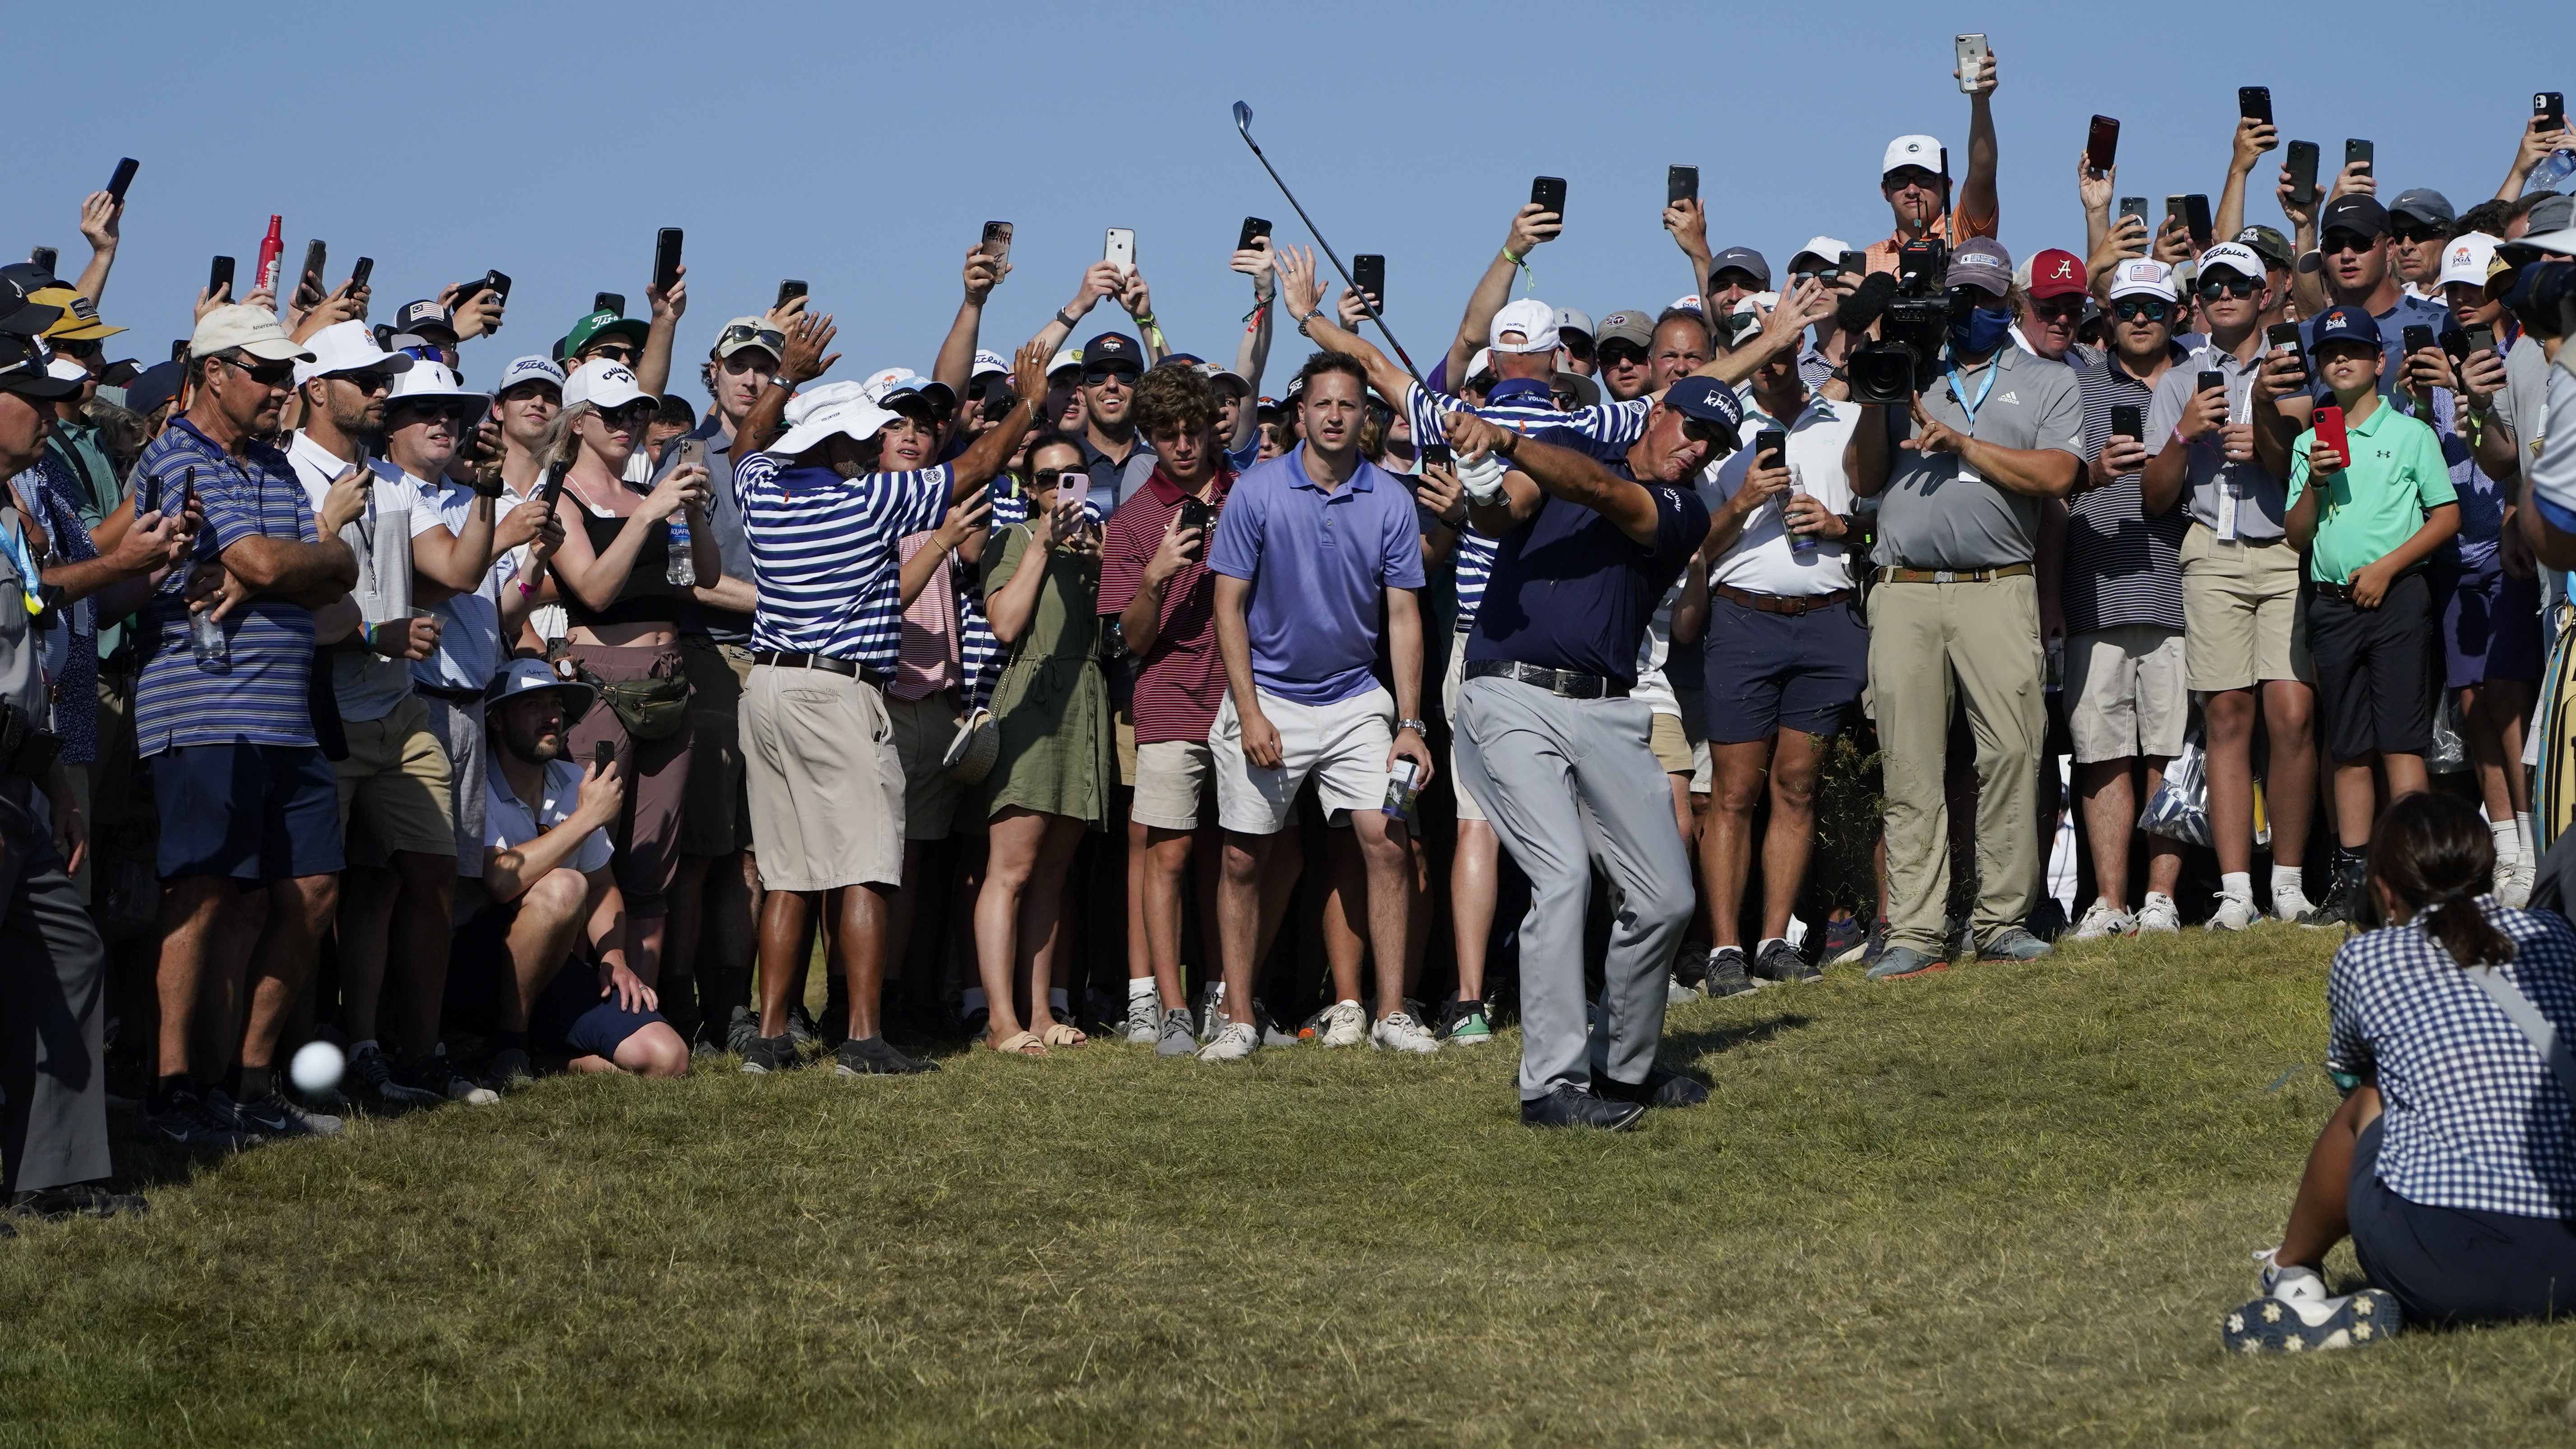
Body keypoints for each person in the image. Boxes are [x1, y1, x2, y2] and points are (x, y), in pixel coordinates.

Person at [730, 316, 1048, 1075]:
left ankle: (771, 1036)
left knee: (788, 872)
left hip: (766, 687)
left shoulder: (761, 490)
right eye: (865, 438)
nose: (879, 447)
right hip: (837, 693)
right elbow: (974, 465)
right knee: (867, 865)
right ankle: (864, 1039)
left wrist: (784, 380)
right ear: (837, 449)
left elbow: (745, 445)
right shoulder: (867, 502)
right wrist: (1027, 405)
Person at [1440, 385, 1716, 1127]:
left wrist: (1501, 442)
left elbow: (1598, 490)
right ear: (1656, 414)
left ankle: (1619, 1069)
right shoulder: (1564, 458)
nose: (1698, 449)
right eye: (1692, 429)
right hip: (1508, 696)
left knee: (1666, 896)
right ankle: (1549, 1086)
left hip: (1606, 709)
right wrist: (1478, 474)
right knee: (1561, 874)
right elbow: (1503, 513)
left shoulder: (1682, 508)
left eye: (1713, 444)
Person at [2227, 792, 2576, 1351]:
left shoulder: (2369, 958)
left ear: (2384, 890)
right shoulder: (2554, 936)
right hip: (2565, 1258)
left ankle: (2292, 1271)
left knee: (2371, 1096)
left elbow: (2348, 1075)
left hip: (2436, 1258)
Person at [139, 305, 359, 1144]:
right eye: (266, 373)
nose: (283, 387)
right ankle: (174, 1089)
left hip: (282, 714)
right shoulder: (173, 458)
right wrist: (293, 565)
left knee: (310, 891)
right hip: (201, 708)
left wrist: (294, 565)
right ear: (214, 372)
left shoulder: (271, 463)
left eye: (286, 373)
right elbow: (277, 562)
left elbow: (334, 574)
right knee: (203, 897)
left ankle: (249, 1081)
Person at [1848, 239, 2081, 981]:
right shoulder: (1910, 366)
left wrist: (1964, 444)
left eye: (1985, 300)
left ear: (2008, 306)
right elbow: (1860, 479)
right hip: (1905, 590)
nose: (1970, 311)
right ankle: (1915, 930)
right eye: (1960, 298)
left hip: (1998, 586)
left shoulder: (2045, 381)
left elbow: (2056, 474)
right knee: (1909, 763)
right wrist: (1872, 396)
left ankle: (2002, 920)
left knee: (2012, 755)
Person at [1197, 351, 1434, 1062]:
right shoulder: (1258, 492)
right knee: (1243, 858)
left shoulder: (1391, 499)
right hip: (1267, 695)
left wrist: (1411, 725)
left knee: (1385, 839)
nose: (1335, 416)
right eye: (1322, 404)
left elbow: (1402, 618)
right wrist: (1251, 712)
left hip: (1356, 697)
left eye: (1348, 405)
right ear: (1300, 414)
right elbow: (1228, 607)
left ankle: (1392, 1012)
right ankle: (1237, 1017)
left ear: (1366, 416)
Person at [0, 325, 176, 1217]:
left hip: (24, 770)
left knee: (67, 949)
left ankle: (56, 1174)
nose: (50, 413)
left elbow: (39, 614)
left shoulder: (15, 510)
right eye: (29, 397)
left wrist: (62, 782)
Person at [283, 328, 481, 1106]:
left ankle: (406, 1049)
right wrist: (374, 631)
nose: (380, 392)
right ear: (316, 389)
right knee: (309, 897)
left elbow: (455, 574)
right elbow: (297, 600)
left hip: (396, 711)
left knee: (430, 874)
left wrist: (494, 495)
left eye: (382, 380)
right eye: (364, 380)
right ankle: (292, 1070)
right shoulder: (289, 473)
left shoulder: (390, 480)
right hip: (319, 711)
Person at [2141, 243, 2320, 928]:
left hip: (2281, 552)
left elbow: (2300, 468)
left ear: (2264, 293)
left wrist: (2266, 434)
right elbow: (2154, 498)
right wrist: (2185, 436)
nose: (2224, 295)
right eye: (2211, 285)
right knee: (2225, 719)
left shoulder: (2292, 367)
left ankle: (2290, 885)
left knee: (2293, 717)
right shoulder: (2177, 380)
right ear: (2198, 300)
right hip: (2209, 552)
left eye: (2238, 285)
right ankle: (2236, 891)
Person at [535, 358, 719, 993]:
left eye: (638, 412)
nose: (629, 424)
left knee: (653, 860)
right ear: (580, 422)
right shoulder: (558, 497)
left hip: (670, 678)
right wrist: (646, 515)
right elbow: (592, 590)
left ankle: (645, 1006)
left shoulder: (648, 495)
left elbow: (704, 579)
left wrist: (691, 512)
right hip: (602, 679)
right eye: (614, 414)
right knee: (593, 847)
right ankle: (582, 1001)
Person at [2285, 305, 2461, 924]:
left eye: (2353, 350)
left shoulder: (2411, 434)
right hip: (2331, 604)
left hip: (2397, 599)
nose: (2341, 361)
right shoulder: (2310, 441)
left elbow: (2445, 515)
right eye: (2330, 352)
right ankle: (2353, 880)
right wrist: (2315, 481)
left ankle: (2420, 880)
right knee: (2349, 747)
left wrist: (2387, 567)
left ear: (2378, 362)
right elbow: (2296, 535)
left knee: (2401, 741)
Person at [1699, 351, 1866, 989]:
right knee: (1733, 794)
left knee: (1797, 787)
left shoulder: (1847, 419)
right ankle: (1724, 951)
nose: (1769, 364)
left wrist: (1840, 525)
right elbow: (1696, 545)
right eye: (1759, 352)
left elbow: (1880, 523)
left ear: (1799, 351)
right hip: (1743, 620)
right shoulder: (1718, 429)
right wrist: (1742, 500)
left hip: (1829, 621)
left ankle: (1773, 941)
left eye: (1781, 352)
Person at [469, 660, 687, 1083]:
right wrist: (586, 819)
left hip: (550, 966)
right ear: (496, 719)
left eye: (556, 703)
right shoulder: (475, 780)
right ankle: (510, 1043)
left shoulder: (570, 779)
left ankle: (532, 1059)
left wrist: (614, 957)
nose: (551, 715)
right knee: (565, 885)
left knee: (668, 1058)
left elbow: (604, 884)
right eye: (532, 705)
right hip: (474, 967)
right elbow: (499, 882)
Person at [1100, 367, 1233, 1053]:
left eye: (1193, 431)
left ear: (1213, 428)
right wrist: (1155, 572)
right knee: (1170, 854)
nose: (1183, 445)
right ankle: (1171, 1006)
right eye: (1168, 435)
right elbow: (1132, 638)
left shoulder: (1247, 495)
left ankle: (1231, 1001)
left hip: (1246, 699)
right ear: (1149, 439)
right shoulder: (1131, 521)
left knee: (1239, 855)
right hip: (1169, 698)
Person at [972, 435, 1114, 1057]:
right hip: (1030, 701)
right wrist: (1043, 545)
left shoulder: (1099, 546)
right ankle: (1000, 1018)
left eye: (1072, 475)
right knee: (1011, 870)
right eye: (1048, 478)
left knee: (1054, 874)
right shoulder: (1012, 540)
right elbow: (1004, 623)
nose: (1061, 487)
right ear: (1030, 489)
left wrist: (1106, 564)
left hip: (1084, 704)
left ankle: (1039, 1009)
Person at [2064, 260, 2191, 938]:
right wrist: (2091, 475)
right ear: (2107, 316)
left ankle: (2160, 900)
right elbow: (2053, 486)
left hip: (2178, 591)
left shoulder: (2199, 379)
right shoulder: (2076, 384)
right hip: (2092, 588)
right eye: (2127, 308)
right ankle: (2110, 903)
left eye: (2154, 308)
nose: (2140, 319)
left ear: (2178, 315)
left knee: (2166, 752)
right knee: (2101, 751)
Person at [1864, 42, 2001, 276]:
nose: (1912, 190)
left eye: (1925, 179)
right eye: (1899, 180)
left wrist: (1980, 102)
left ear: (1948, 187)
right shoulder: (1868, 263)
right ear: (1884, 191)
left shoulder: (1965, 235)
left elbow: (1982, 173)